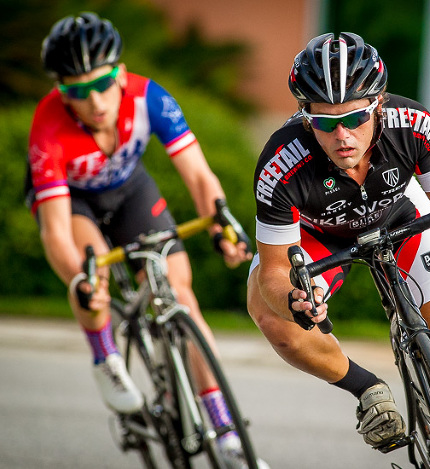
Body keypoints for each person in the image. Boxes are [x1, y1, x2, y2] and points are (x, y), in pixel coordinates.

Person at [246, 32, 430, 468]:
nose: (342, 136)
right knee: (272, 317)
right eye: (325, 122)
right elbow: (273, 273)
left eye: (355, 118)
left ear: (378, 104)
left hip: (399, 216)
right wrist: (294, 300)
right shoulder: (281, 165)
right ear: (305, 117)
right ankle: (367, 388)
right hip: (318, 235)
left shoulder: (413, 123)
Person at [25, 12, 261, 467]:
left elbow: (198, 175)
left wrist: (222, 223)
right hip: (74, 203)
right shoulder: (48, 125)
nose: (94, 100)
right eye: (76, 91)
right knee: (90, 271)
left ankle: (225, 430)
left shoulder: (150, 97)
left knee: (182, 297)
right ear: (61, 91)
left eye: (103, 83)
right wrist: (81, 279)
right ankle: (105, 358)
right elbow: (55, 230)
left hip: (130, 191)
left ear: (121, 72)